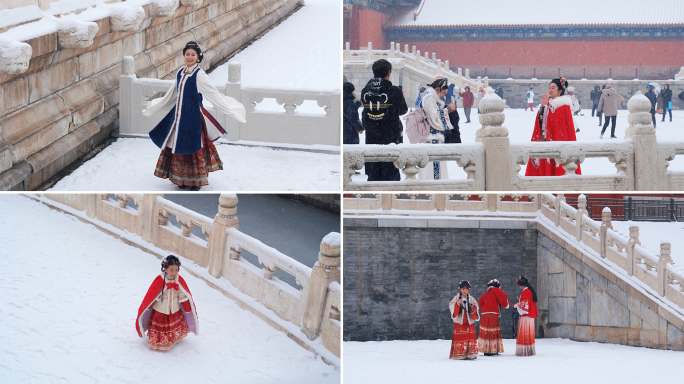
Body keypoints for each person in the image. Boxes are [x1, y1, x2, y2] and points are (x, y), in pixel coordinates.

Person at [144, 41, 246, 191]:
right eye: (187, 54)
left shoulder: (200, 75)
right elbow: (172, 94)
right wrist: (155, 105)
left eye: (193, 55)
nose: (190, 57)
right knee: (178, 146)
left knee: (193, 147)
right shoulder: (181, 72)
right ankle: (182, 180)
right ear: (184, 56)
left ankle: (195, 181)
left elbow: (214, 96)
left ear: (198, 57)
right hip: (178, 118)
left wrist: (231, 111)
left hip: (192, 119)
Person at [136, 256, 199, 350]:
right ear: (165, 268)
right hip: (160, 311)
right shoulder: (160, 281)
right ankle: (160, 341)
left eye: (176, 270)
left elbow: (183, 295)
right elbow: (152, 295)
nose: (174, 273)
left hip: (174, 310)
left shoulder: (179, 281)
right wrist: (150, 303)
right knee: (162, 328)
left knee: (173, 326)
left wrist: (186, 306)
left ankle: (173, 339)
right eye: (171, 270)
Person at [360, 59, 408, 181]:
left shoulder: (365, 90)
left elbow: (366, 112)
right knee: (391, 176)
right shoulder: (394, 90)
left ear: (374, 73)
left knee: (373, 176)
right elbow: (403, 110)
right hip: (390, 137)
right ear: (388, 72)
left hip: (372, 138)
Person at [525, 77, 582, 176]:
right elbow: (541, 122)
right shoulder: (549, 103)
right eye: (550, 87)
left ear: (560, 91)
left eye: (553, 88)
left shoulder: (563, 105)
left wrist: (547, 107)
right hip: (547, 140)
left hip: (558, 140)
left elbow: (556, 123)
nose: (550, 90)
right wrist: (543, 107)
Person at [418, 76, 454, 180]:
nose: (443, 96)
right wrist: (447, 110)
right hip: (431, 139)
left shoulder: (431, 98)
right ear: (437, 89)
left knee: (434, 170)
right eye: (443, 93)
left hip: (433, 139)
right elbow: (433, 118)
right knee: (433, 172)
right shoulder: (429, 98)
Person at [449, 280, 480, 360]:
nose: (465, 291)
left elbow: (476, 307)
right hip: (460, 322)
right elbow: (451, 305)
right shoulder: (456, 298)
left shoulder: (471, 298)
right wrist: (457, 304)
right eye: (463, 289)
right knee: (460, 338)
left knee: (470, 337)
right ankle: (459, 354)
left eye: (466, 289)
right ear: (460, 289)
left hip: (469, 321)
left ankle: (471, 354)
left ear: (469, 290)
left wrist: (473, 307)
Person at [478, 279, 509, 356]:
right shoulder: (495, 290)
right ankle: (493, 350)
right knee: (492, 331)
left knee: (486, 332)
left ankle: (486, 350)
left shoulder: (486, 293)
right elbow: (504, 296)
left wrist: (485, 308)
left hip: (484, 314)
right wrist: (505, 304)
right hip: (492, 313)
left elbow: (480, 300)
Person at [510, 276, 538, 356]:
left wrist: (517, 305)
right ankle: (529, 350)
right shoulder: (530, 291)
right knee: (529, 333)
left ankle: (524, 350)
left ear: (521, 285)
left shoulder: (525, 292)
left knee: (524, 332)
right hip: (530, 315)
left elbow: (524, 305)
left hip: (526, 315)